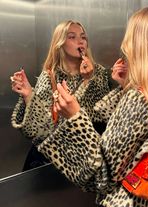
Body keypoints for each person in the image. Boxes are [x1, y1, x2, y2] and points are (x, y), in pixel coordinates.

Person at [37, 7, 148, 207]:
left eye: (131, 36)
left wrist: (75, 119)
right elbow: (139, 140)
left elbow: (100, 178)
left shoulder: (138, 98)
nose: (126, 44)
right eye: (71, 37)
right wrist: (126, 87)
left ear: (140, 45)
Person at [10, 20, 111, 170]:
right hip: (56, 157)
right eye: (72, 37)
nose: (80, 41)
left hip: (86, 156)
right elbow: (42, 129)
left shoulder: (99, 72)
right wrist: (28, 94)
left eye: (83, 37)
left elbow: (102, 115)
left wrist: (88, 80)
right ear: (60, 43)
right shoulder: (50, 76)